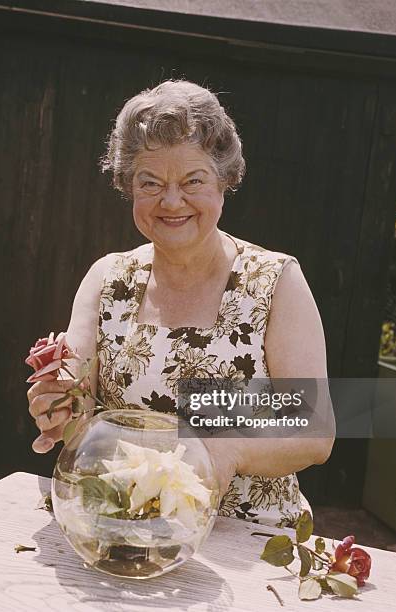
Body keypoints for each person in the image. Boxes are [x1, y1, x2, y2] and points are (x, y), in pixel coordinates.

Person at [27, 79, 335, 528]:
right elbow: (79, 417)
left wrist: (225, 451)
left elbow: (315, 433)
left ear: (225, 180)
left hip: (251, 537)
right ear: (128, 186)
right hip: (122, 526)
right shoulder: (107, 280)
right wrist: (57, 406)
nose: (172, 201)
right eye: (150, 182)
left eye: (193, 180)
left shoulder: (274, 282)